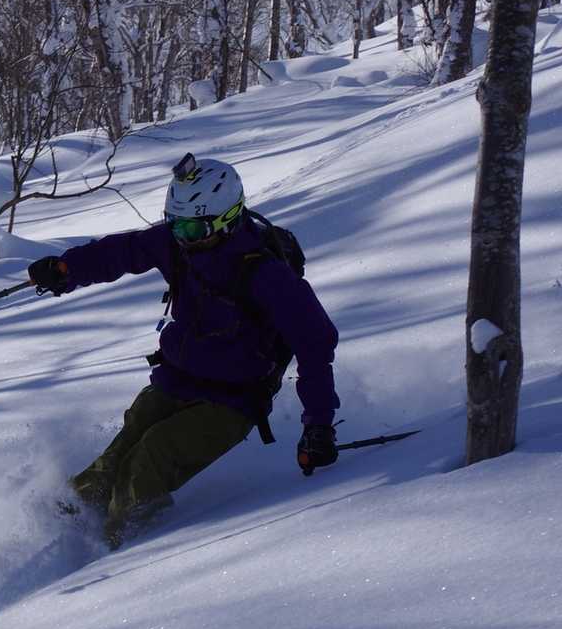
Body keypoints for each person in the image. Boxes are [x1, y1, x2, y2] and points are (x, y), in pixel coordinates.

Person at [27, 153, 341, 548]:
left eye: (192, 228)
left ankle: (121, 550)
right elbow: (122, 252)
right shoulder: (179, 243)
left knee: (151, 458)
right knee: (122, 448)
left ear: (227, 219)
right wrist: (66, 270)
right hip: (178, 379)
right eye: (174, 223)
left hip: (233, 401)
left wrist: (318, 425)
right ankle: (61, 531)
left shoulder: (265, 274)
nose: (181, 236)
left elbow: (315, 342)